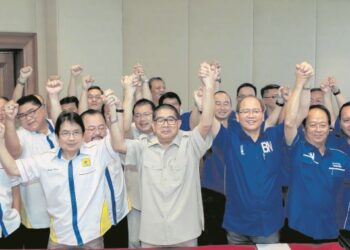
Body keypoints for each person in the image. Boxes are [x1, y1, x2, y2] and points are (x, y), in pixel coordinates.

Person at [0, 89, 123, 248]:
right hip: (60, 240)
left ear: (83, 134)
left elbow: (118, 143)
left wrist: (113, 113)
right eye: (65, 133)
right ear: (57, 136)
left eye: (76, 132)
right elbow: (13, 169)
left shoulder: (96, 151)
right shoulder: (46, 160)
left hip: (92, 238)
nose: (71, 138)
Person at [113, 62, 217, 247]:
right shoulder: (142, 147)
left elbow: (206, 123)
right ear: (153, 126)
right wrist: (123, 102)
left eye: (171, 120)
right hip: (152, 233)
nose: (166, 124)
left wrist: (209, 87)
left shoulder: (190, 143)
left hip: (186, 231)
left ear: (179, 123)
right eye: (160, 120)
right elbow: (119, 143)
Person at [284, 62, 350, 242]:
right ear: (304, 129)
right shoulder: (296, 148)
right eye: (312, 125)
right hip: (297, 228)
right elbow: (290, 123)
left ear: (330, 128)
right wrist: (300, 84)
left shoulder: (341, 157)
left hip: (330, 229)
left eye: (322, 125)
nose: (318, 129)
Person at [4, 94, 55, 248]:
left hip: (66, 214)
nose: (28, 118)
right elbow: (13, 152)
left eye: (32, 111)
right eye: (23, 115)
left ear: (44, 109)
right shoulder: (20, 134)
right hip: (37, 217)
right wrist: (10, 121)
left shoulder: (61, 127)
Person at [81, 108, 129, 248]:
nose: (97, 132)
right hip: (92, 223)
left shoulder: (112, 143)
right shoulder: (75, 153)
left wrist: (119, 108)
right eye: (91, 128)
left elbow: (120, 128)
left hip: (118, 215)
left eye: (101, 128)